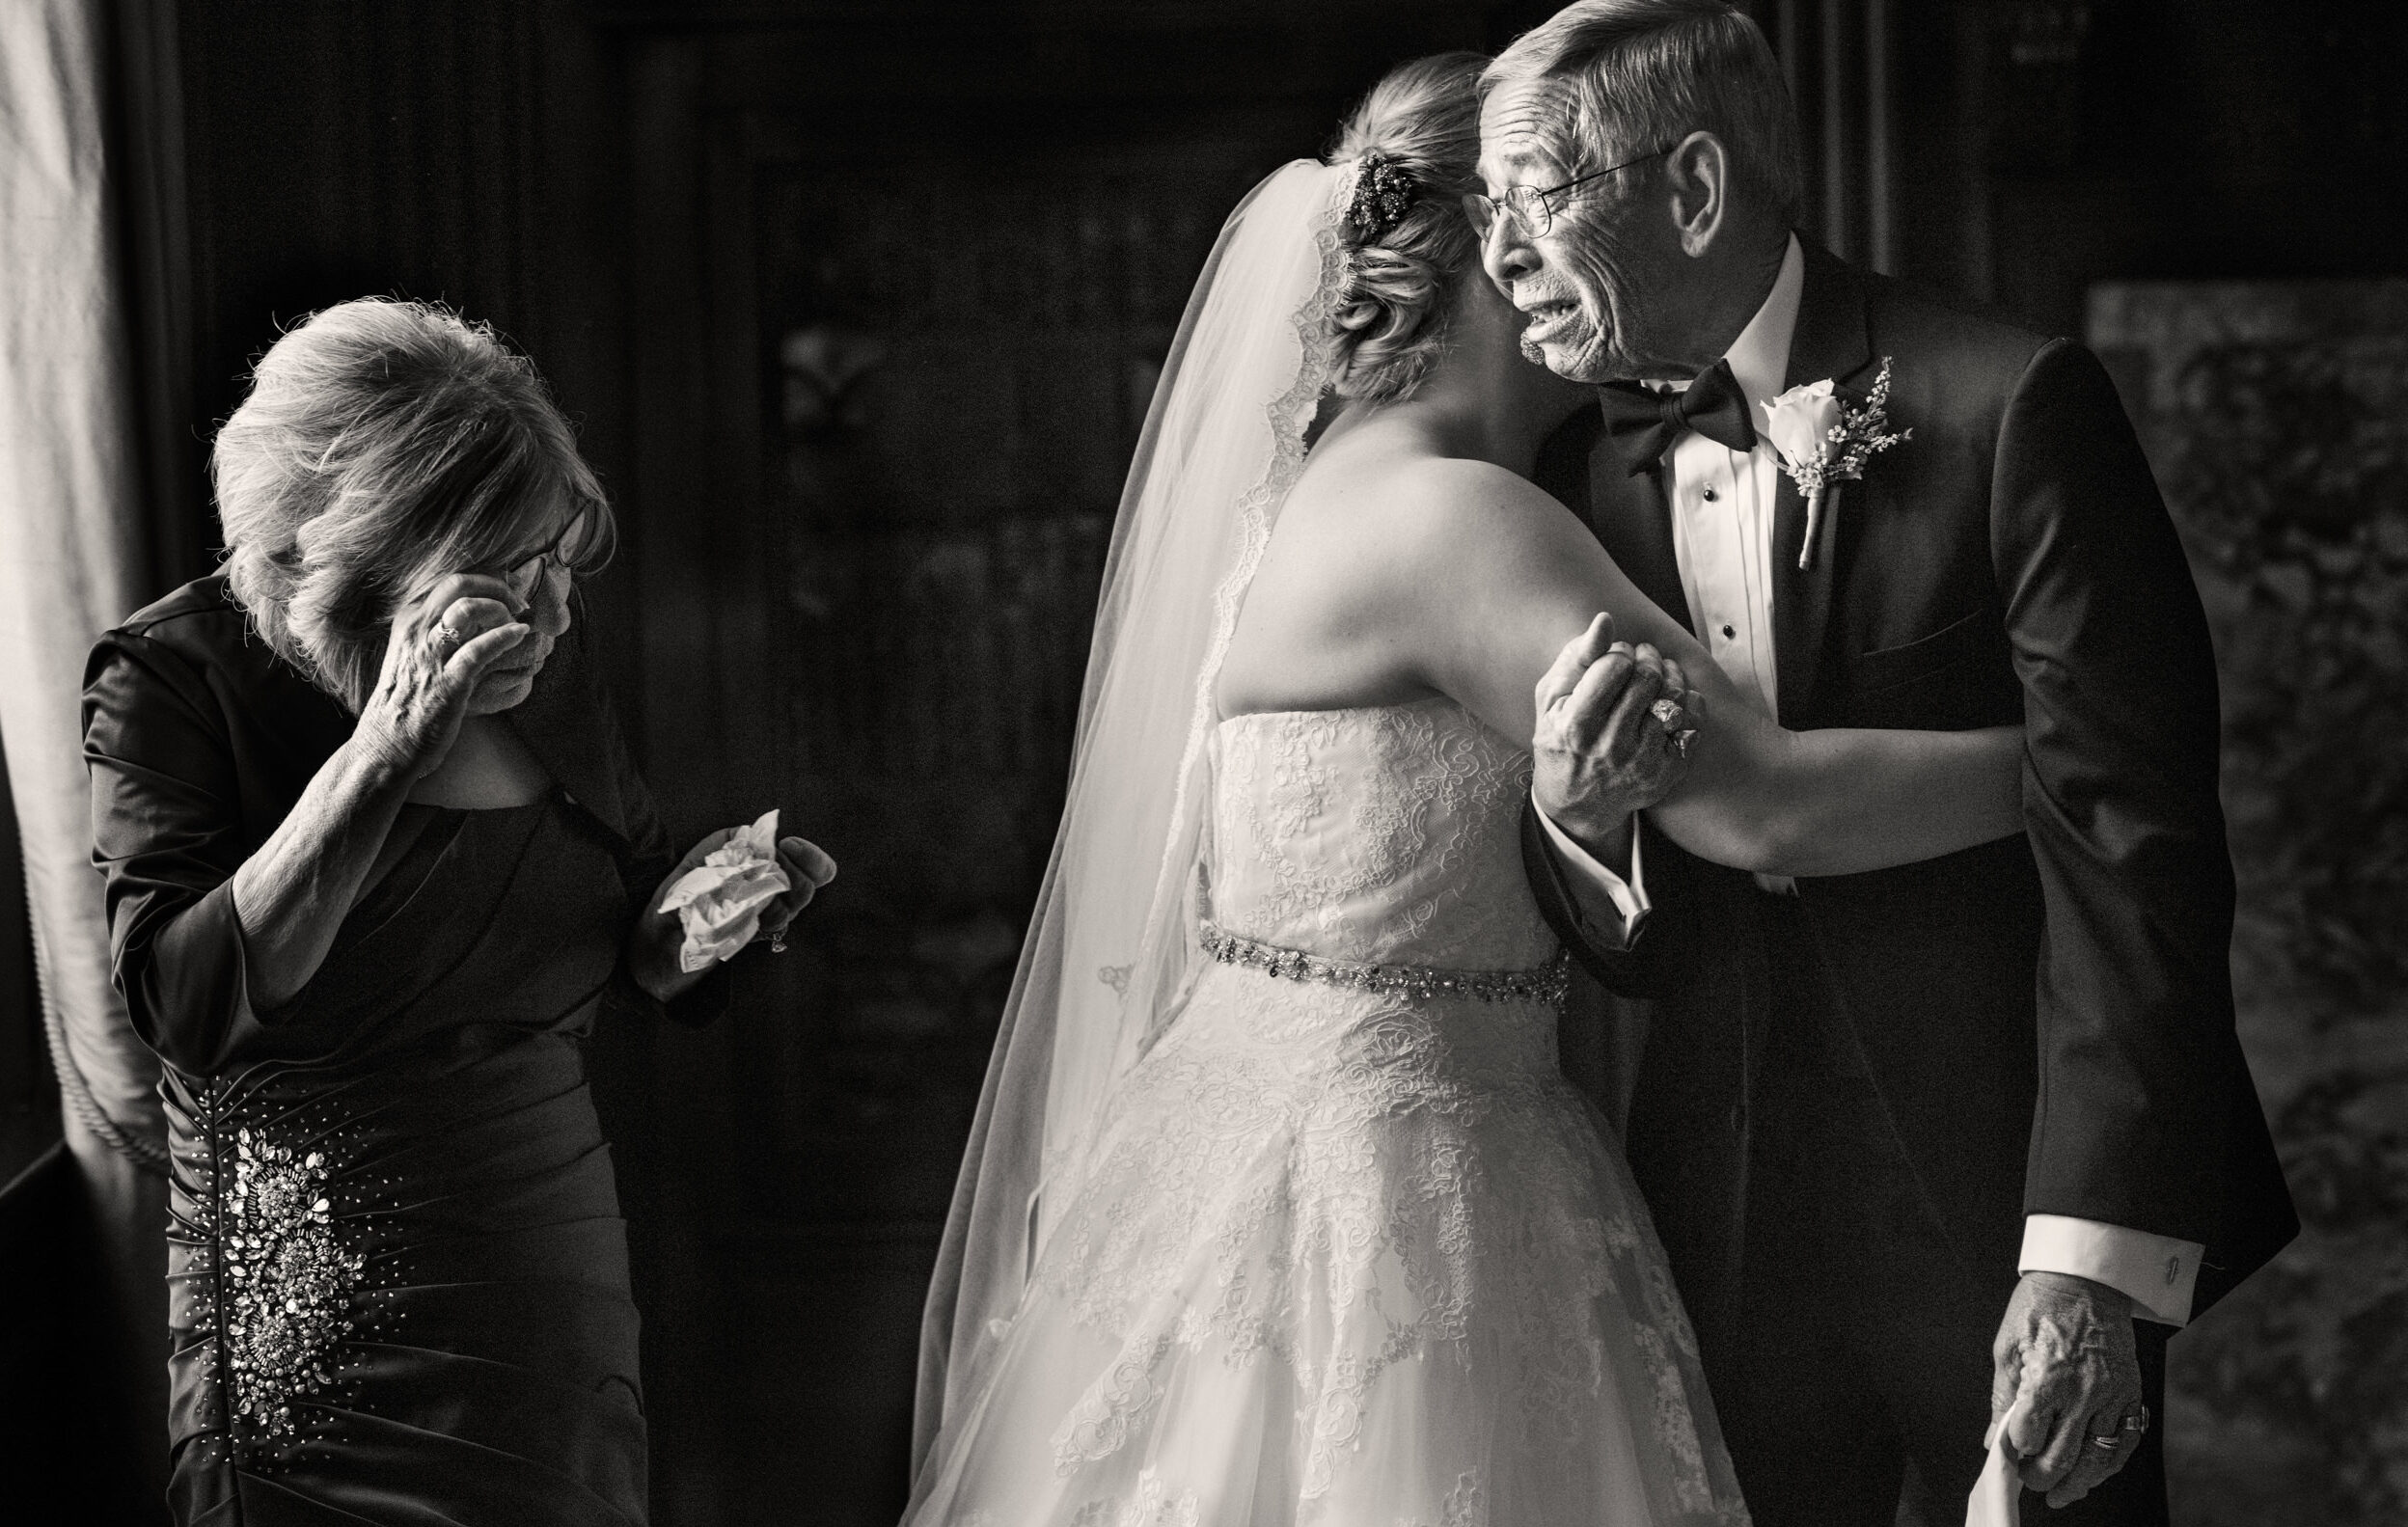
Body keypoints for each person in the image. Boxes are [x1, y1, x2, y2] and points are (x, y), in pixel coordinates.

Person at [904, 53, 2042, 1526]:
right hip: (1403, 1195)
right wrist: (2069, 770)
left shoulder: (1320, 488)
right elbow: (1757, 806)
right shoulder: (1458, 522)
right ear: (1509, 246)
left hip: (1239, 1147)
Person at [1480, 4, 2297, 1522]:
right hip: (1711, 1224)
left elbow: (2137, 846)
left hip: (2003, 1194)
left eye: (1534, 200)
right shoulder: (1569, 479)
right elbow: (1618, 935)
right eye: (1489, 214)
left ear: (1696, 190)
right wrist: (1582, 825)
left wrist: (2086, 1261)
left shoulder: (2012, 405)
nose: (1502, 257)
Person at [81, 299, 835, 1525]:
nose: (547, 615)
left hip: (553, 1300)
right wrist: (386, 745)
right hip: (322, 1350)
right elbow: (184, 1000)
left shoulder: (541, 664)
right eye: (502, 572)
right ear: (365, 551)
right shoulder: (174, 676)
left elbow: (621, 930)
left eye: (557, 566)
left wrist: (688, 925)